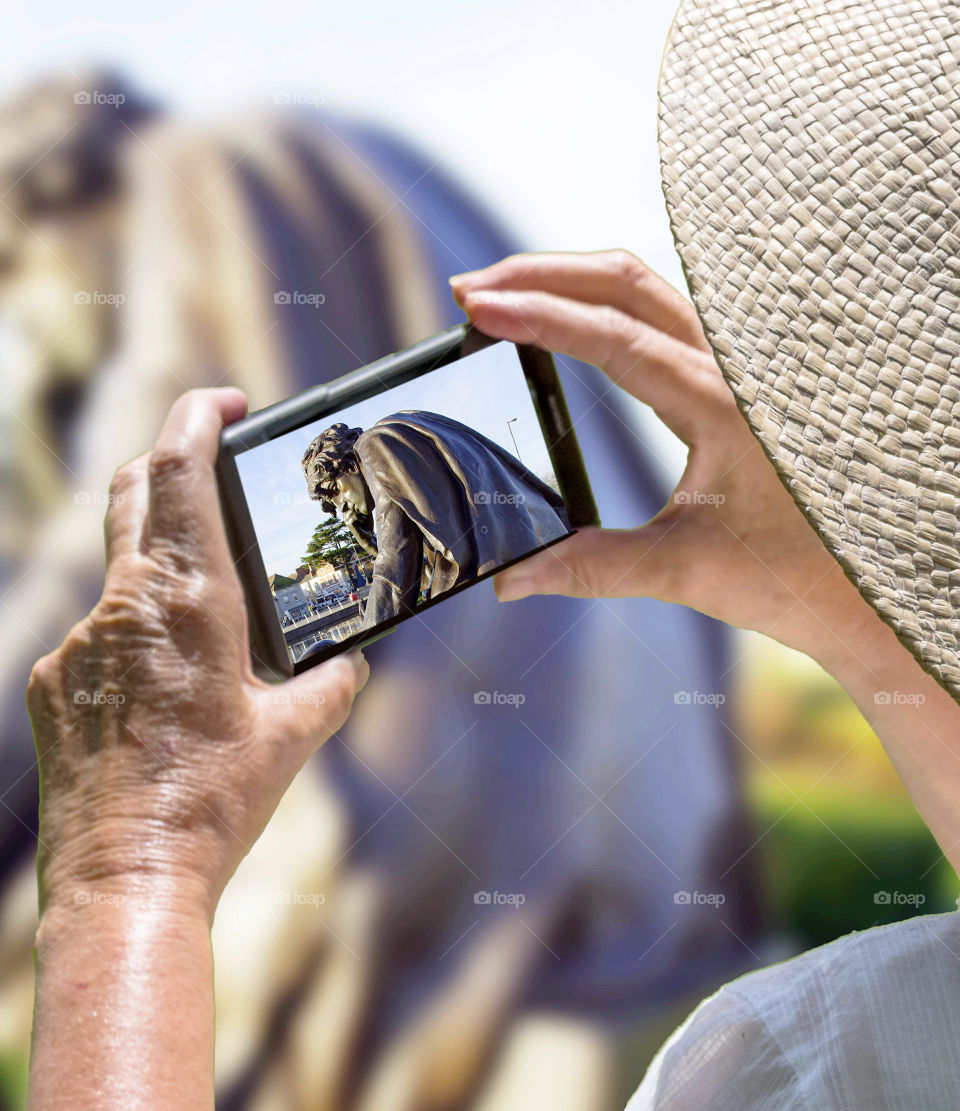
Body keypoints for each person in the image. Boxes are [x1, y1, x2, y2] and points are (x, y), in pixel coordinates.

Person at [301, 414, 569, 627]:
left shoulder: (374, 445)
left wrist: (364, 649)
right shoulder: (414, 428)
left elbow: (395, 568)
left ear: (347, 463)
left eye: (335, 491)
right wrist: (370, 543)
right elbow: (431, 568)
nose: (343, 506)